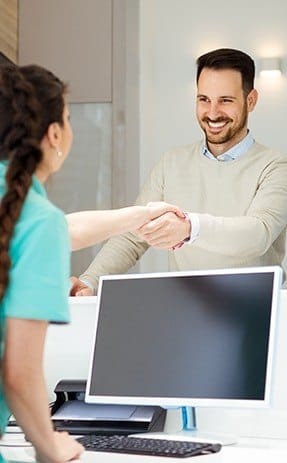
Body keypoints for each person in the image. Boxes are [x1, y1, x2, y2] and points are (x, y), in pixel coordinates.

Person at [0, 63, 182, 463]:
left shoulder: (21, 211)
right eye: (67, 118)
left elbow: (64, 229)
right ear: (53, 135)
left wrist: (139, 214)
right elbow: (18, 370)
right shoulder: (35, 219)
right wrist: (50, 446)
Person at [70, 47, 287, 296]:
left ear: (251, 101)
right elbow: (133, 236)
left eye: (225, 101)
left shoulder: (276, 166)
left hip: (255, 310)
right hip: (186, 309)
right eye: (204, 99)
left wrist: (189, 228)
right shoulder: (171, 163)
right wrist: (90, 281)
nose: (213, 113)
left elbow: (257, 234)